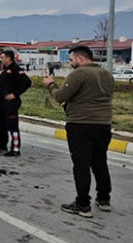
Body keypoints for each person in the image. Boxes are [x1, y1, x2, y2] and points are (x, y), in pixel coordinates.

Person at [43, 46, 114, 218]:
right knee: (100, 162)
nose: (70, 63)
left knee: (81, 165)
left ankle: (83, 204)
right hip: (103, 124)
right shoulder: (106, 74)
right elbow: (92, 96)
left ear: (81, 59)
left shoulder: (79, 74)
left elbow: (60, 95)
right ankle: (104, 199)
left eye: (72, 59)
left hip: (81, 125)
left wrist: (50, 85)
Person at [0, 50, 32, 157]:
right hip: (2, 102)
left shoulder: (15, 69)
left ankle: (15, 148)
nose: (0, 59)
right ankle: (2, 144)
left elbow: (27, 82)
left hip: (11, 103)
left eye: (2, 57)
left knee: (12, 126)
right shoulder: (6, 70)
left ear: (8, 58)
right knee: (2, 124)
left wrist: (15, 94)